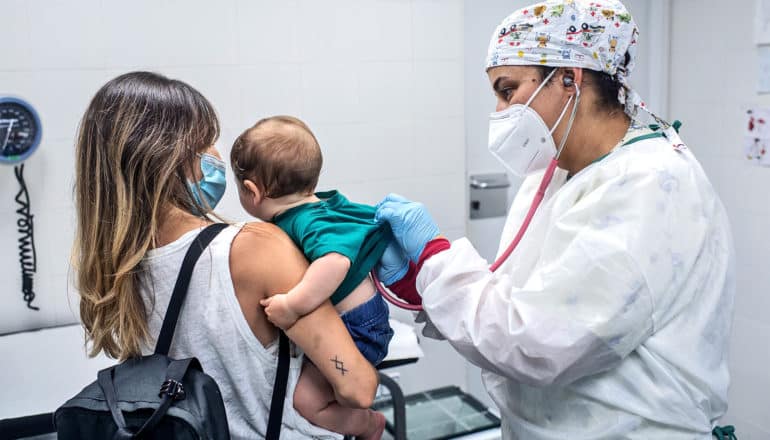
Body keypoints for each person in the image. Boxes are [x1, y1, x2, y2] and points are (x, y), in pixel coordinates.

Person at [373, 1, 736, 439]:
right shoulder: (555, 170)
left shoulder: (652, 185)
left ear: (569, 77)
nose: (501, 111)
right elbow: (520, 300)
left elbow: (539, 341)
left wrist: (435, 259)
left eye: (508, 91)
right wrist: (422, 283)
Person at [72, 71, 379, 440]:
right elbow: (358, 388)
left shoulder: (117, 270)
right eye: (206, 142)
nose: (216, 156)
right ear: (170, 160)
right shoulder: (253, 248)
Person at [230, 115, 393, 439]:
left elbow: (335, 263)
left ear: (252, 191)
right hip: (358, 320)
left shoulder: (309, 220)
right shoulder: (309, 211)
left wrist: (293, 305)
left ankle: (368, 425)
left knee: (308, 401)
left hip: (360, 327)